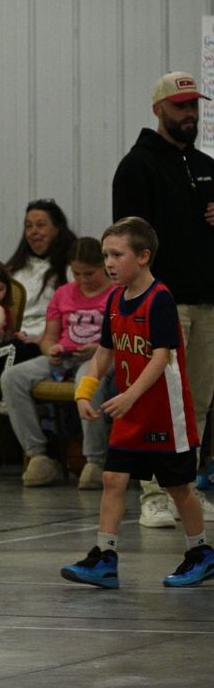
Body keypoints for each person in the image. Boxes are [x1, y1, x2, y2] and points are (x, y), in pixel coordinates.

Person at [61, 217, 214, 589]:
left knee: (178, 486)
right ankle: (105, 557)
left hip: (163, 412)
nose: (109, 263)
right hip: (130, 410)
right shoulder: (115, 299)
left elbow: (162, 357)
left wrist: (130, 395)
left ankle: (201, 553)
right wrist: (85, 391)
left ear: (143, 256)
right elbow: (104, 352)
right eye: (106, 256)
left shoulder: (160, 299)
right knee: (113, 478)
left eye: (117, 255)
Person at [112, 70, 214, 528]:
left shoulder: (205, 164)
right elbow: (128, 241)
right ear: (158, 109)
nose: (189, 114)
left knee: (198, 401)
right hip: (163, 305)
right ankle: (153, 495)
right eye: (180, 106)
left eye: (193, 106)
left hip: (207, 300)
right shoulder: (137, 166)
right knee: (157, 400)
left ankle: (184, 489)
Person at [1, 237, 116, 488]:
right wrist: (51, 349)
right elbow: (49, 337)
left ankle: (95, 460)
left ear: (104, 266)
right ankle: (38, 455)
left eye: (89, 273)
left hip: (101, 356)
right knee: (12, 377)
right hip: (65, 356)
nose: (83, 279)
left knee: (87, 380)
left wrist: (98, 348)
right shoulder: (63, 293)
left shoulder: (117, 294)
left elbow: (124, 338)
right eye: (77, 273)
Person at [5, 199, 77, 342]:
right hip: (12, 340)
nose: (34, 232)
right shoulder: (14, 270)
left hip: (50, 341)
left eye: (40, 225)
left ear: (57, 228)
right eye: (28, 226)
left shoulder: (71, 269)